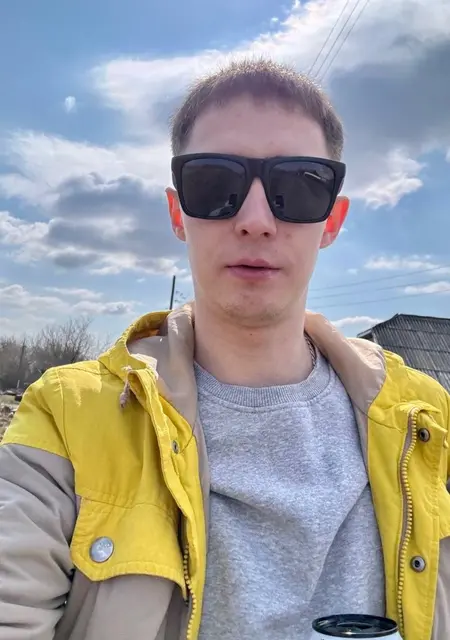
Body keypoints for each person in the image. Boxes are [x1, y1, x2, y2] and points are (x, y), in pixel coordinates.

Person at [0, 59, 449, 640]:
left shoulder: (428, 421)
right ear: (177, 212)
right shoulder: (65, 416)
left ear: (332, 220)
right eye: (215, 184)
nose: (256, 220)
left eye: (299, 186)